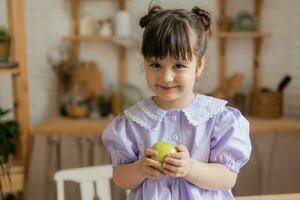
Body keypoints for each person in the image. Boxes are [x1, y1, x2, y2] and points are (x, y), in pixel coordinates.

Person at [102, 5, 251, 200]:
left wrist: (190, 168)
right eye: (155, 64)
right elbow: (120, 177)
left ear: (199, 66)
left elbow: (227, 177)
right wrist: (140, 169)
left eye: (179, 65)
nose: (166, 77)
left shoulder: (218, 118)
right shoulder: (133, 121)